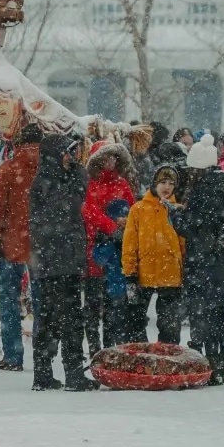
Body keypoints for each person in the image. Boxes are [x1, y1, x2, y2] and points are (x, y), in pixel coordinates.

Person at [28, 135, 97, 391]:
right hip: (59, 261)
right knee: (67, 319)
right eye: (68, 153)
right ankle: (72, 374)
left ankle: (44, 374)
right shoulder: (50, 183)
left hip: (54, 261)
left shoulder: (52, 180)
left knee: (50, 318)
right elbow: (66, 210)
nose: (72, 157)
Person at [171, 164, 224, 385]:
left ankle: (207, 361)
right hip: (222, 272)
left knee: (201, 316)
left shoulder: (198, 205)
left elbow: (183, 228)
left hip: (199, 270)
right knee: (223, 316)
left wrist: (175, 213)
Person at [0, 124, 42, 372]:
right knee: (42, 301)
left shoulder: (9, 169)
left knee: (9, 300)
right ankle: (43, 355)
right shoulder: (50, 168)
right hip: (42, 244)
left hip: (12, 244)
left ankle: (13, 355)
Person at [81, 141, 136, 355]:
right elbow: (88, 211)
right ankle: (95, 348)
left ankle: (111, 347)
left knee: (115, 303)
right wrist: (112, 226)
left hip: (117, 251)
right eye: (107, 158)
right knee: (94, 303)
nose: (111, 161)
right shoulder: (90, 185)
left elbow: (133, 209)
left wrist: (125, 222)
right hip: (95, 249)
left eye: (114, 157)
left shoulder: (122, 184)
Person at [122, 165, 184, 344]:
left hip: (171, 275)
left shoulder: (177, 210)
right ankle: (139, 361)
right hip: (143, 274)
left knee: (170, 327)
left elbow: (183, 244)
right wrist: (130, 274)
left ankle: (167, 363)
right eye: (163, 182)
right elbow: (130, 244)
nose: (167, 186)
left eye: (172, 183)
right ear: (153, 183)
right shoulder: (138, 209)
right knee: (135, 324)